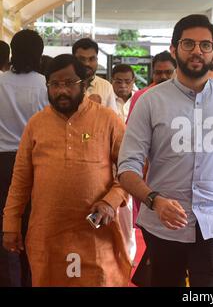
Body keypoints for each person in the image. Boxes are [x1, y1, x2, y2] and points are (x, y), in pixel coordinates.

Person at [118, 14, 213, 287]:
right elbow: (127, 168)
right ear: (174, 49)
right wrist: (155, 201)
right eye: (188, 44)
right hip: (163, 226)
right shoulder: (150, 102)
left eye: (205, 45)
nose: (197, 51)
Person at [2, 54, 131, 286]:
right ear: (47, 85)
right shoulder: (36, 124)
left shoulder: (108, 120)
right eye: (55, 84)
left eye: (69, 83)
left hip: (95, 233)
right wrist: (10, 224)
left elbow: (130, 171)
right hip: (47, 233)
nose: (62, 91)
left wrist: (111, 201)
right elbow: (20, 180)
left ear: (83, 83)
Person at [0, 29, 47, 287]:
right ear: (39, 54)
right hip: (36, 163)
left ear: (12, 52)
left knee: (4, 227)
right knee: (33, 227)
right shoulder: (45, 85)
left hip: (2, 164)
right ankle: (33, 280)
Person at [110, 63, 137, 263]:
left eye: (127, 81)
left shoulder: (140, 99)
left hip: (133, 158)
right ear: (113, 81)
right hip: (110, 158)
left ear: (133, 82)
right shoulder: (107, 99)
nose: (123, 86)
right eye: (119, 81)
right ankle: (112, 252)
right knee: (112, 207)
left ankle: (128, 254)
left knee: (127, 209)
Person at [127, 51, 176, 121]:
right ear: (153, 73)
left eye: (168, 72)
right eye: (158, 73)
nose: (163, 76)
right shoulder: (140, 96)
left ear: (176, 72)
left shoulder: (184, 94)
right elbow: (131, 128)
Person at [72, 38, 118, 112]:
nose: (86, 63)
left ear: (97, 59)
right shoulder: (64, 85)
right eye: (81, 59)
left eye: (91, 59)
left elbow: (113, 119)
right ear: (73, 59)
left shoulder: (106, 86)